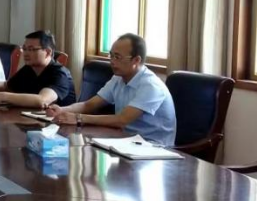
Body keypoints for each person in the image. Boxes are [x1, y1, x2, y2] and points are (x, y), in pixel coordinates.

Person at [45, 33, 176, 145]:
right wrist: (62, 110)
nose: (112, 61)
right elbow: (89, 105)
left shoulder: (151, 85)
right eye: (111, 56)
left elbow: (122, 120)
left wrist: (79, 118)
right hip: (125, 140)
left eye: (117, 57)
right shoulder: (118, 78)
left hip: (152, 146)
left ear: (136, 60)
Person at [0, 30, 76, 108]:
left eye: (31, 49)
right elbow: (6, 85)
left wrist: (4, 97)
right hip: (31, 118)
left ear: (48, 52)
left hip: (58, 122)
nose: (26, 53)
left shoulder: (60, 73)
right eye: (24, 49)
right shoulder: (29, 68)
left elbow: (42, 100)